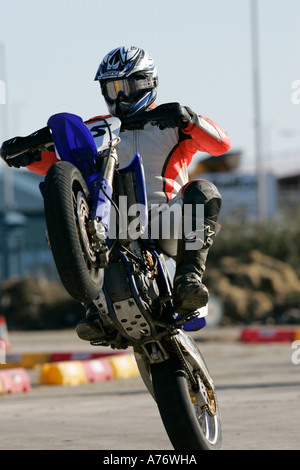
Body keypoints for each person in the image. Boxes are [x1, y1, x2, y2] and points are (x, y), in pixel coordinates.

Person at [1, 46, 231, 340]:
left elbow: (220, 144)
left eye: (127, 87)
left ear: (148, 83)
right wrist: (26, 152)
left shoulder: (172, 122)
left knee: (203, 190)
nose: (120, 97)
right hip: (115, 226)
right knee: (65, 217)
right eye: (112, 88)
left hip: (166, 222)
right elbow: (56, 164)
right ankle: (94, 305)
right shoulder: (97, 127)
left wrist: (191, 119)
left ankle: (189, 280)